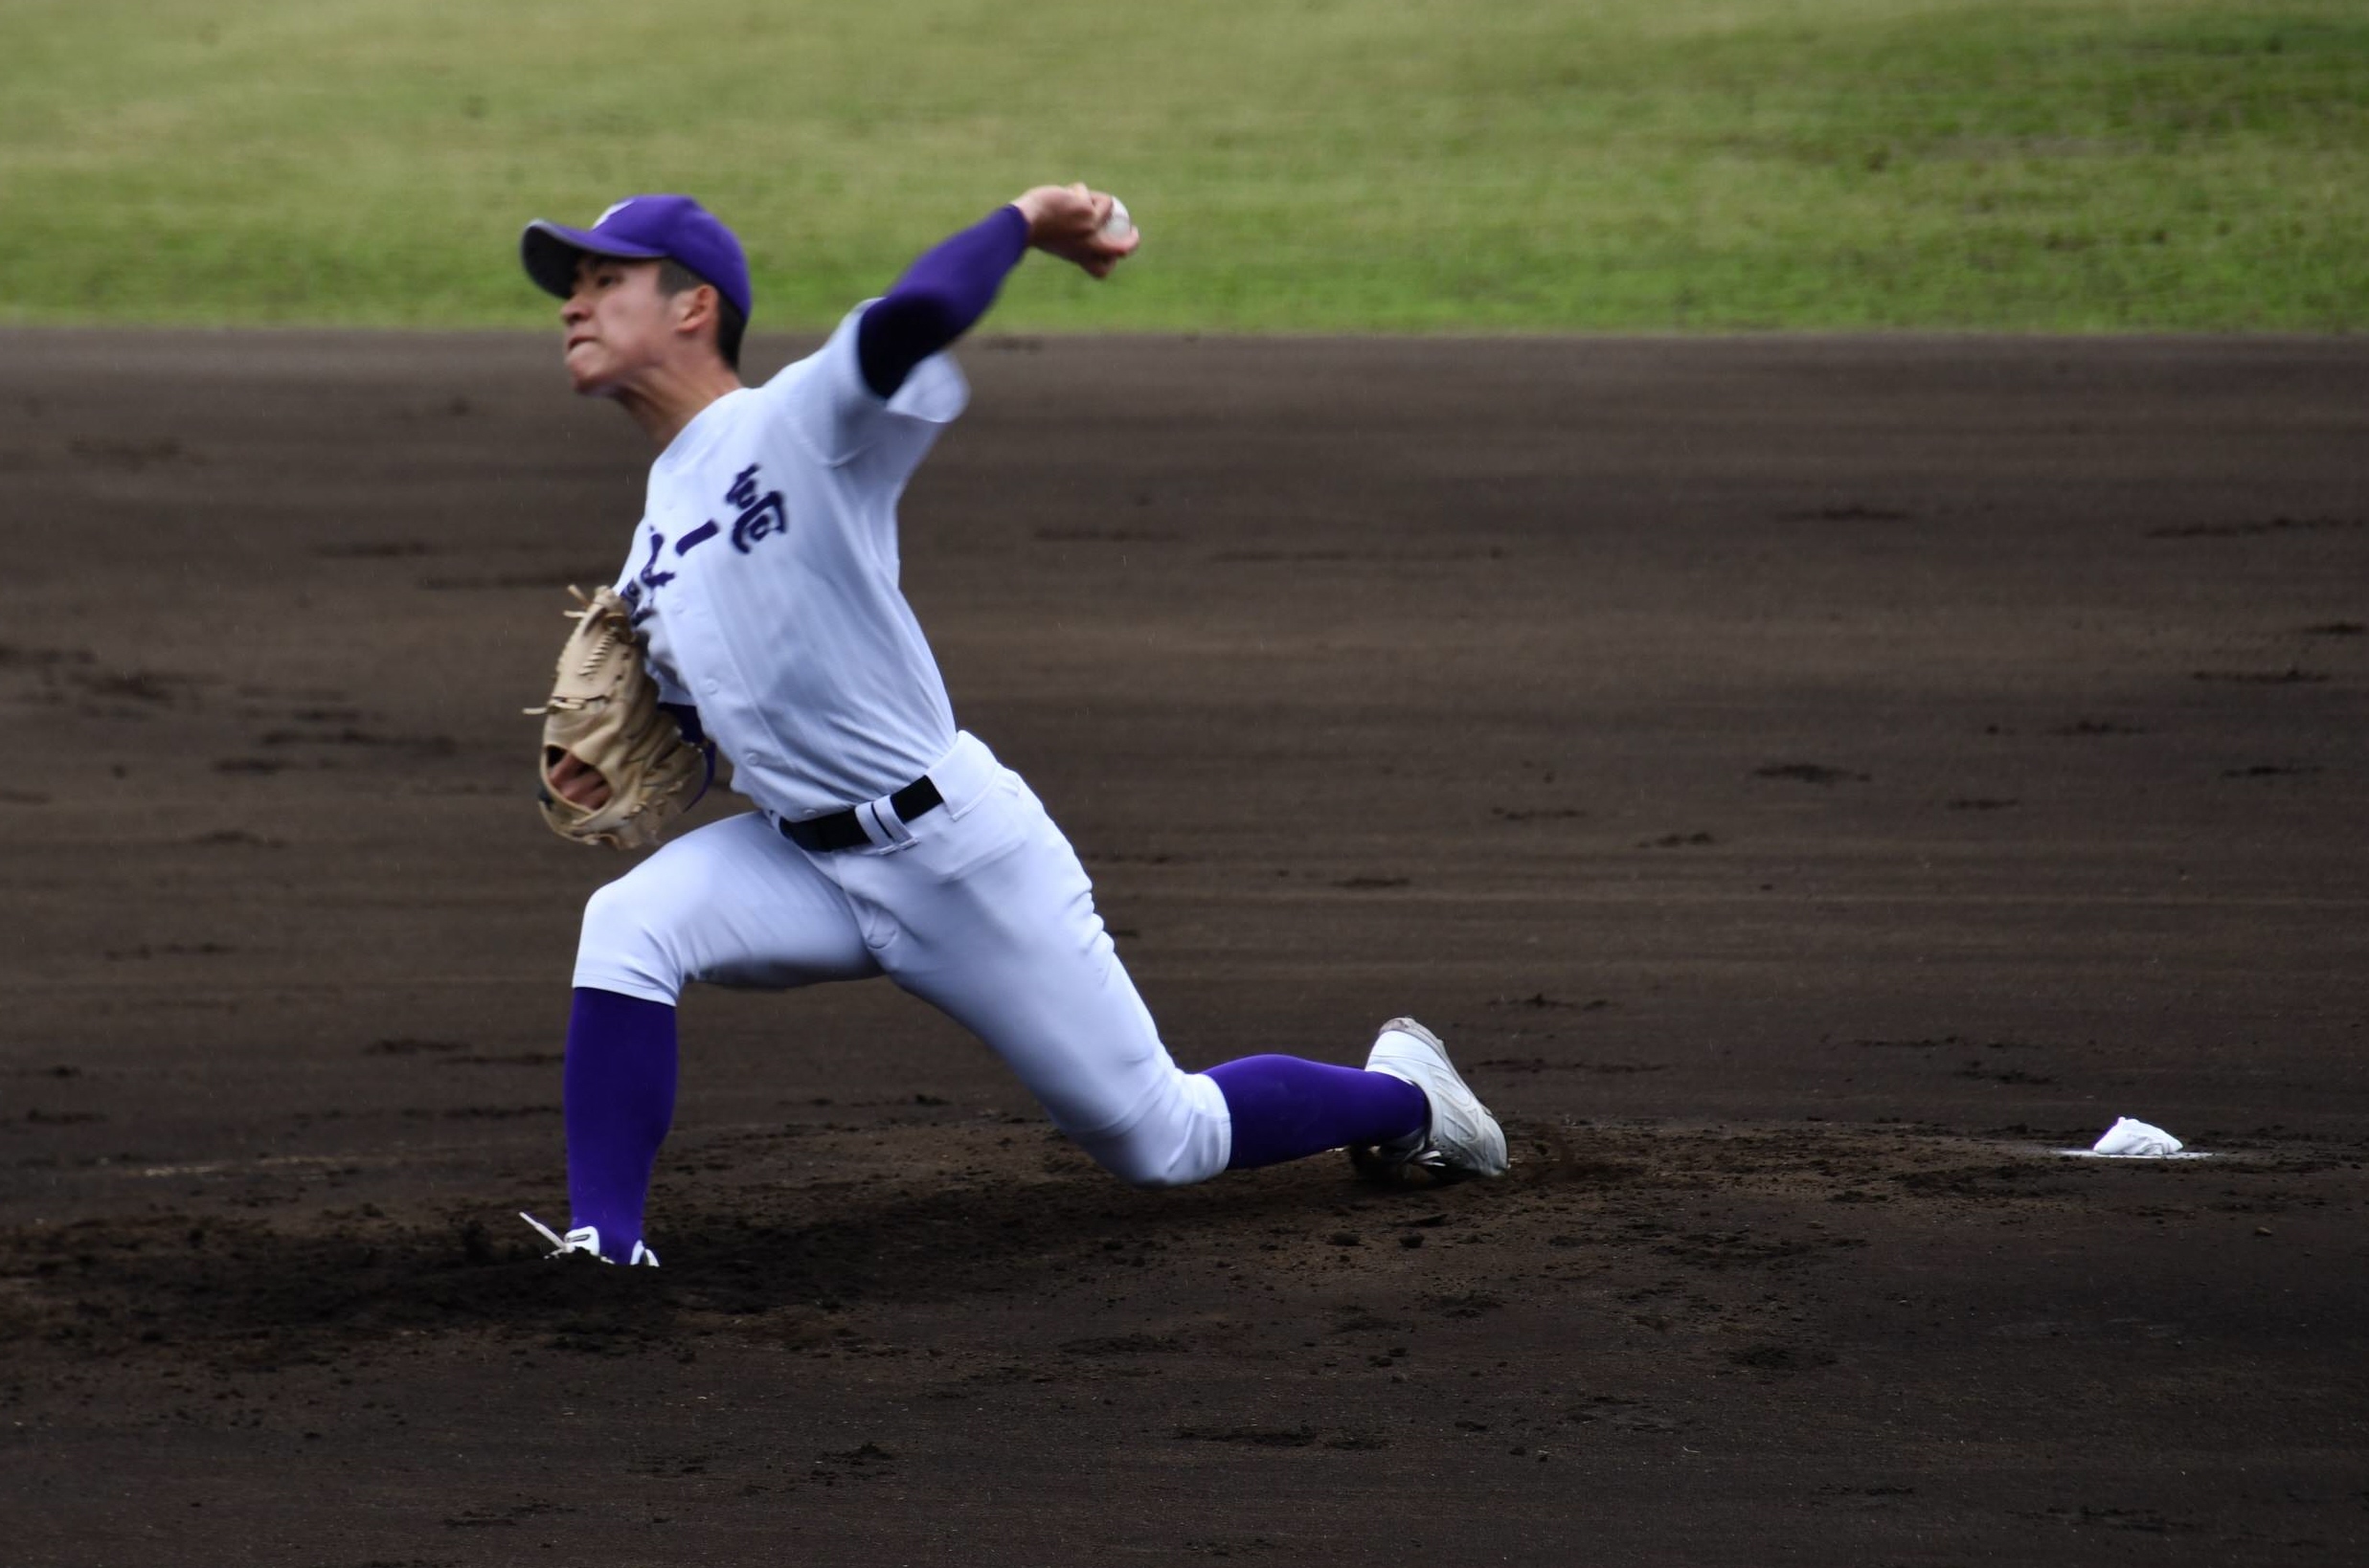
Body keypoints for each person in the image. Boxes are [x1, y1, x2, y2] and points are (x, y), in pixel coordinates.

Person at [514, 187, 1506, 1266]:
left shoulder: (798, 425)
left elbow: (913, 317)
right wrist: (621, 753)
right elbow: (719, 714)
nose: (575, 305)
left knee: (1163, 1138)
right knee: (629, 926)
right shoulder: (650, 540)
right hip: (802, 863)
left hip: (954, 856)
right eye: (573, 287)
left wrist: (1024, 221)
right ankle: (603, 1247)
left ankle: (1406, 1100)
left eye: (604, 280)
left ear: (694, 305)